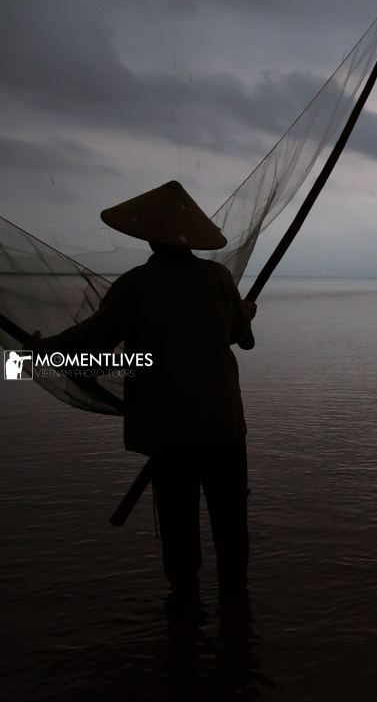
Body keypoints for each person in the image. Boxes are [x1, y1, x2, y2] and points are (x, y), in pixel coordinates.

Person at [38, 180, 256, 608]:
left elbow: (93, 343)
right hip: (221, 425)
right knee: (230, 523)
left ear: (151, 239)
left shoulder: (138, 284)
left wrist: (42, 352)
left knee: (178, 524)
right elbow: (241, 338)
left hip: (167, 427)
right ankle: (237, 620)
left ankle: (184, 617)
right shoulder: (217, 278)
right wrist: (242, 311)